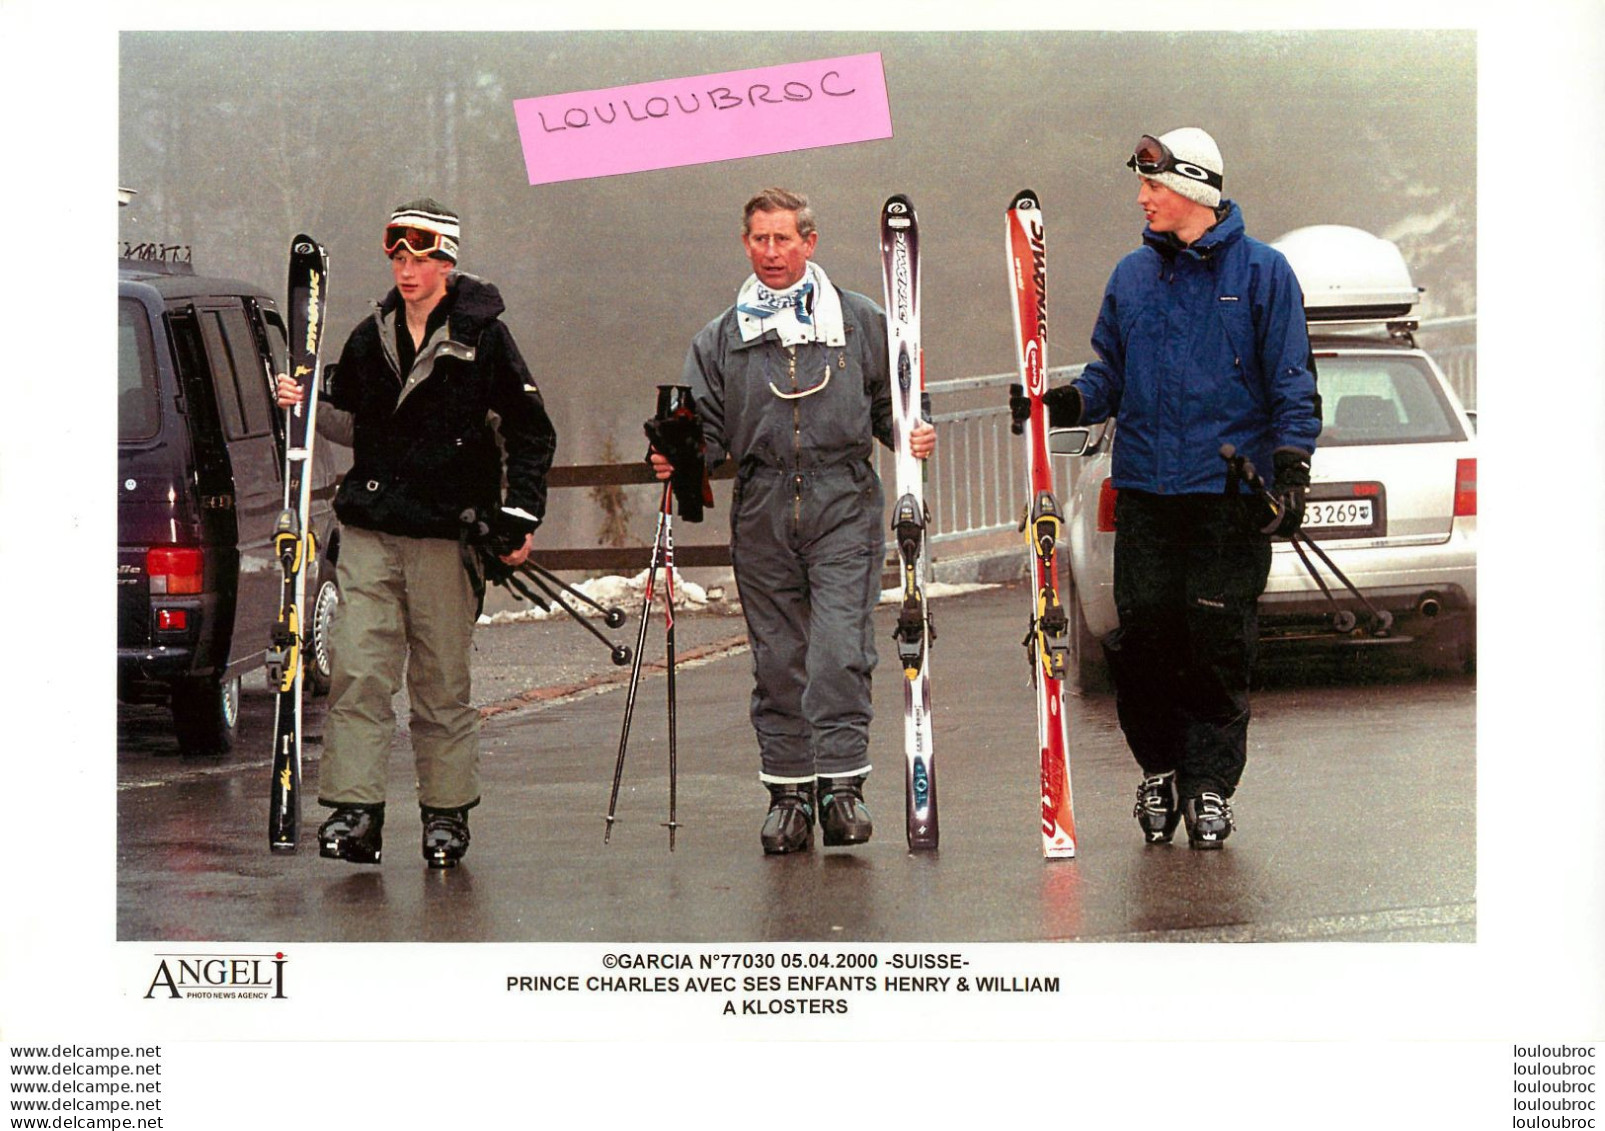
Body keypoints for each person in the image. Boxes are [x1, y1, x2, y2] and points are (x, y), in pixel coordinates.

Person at [1013, 129, 1320, 848]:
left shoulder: (1264, 272)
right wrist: (1059, 403)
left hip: (1225, 495)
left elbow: (1291, 380)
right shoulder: (1131, 277)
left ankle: (1209, 784)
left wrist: (1291, 467)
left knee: (1216, 643)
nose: (1142, 198)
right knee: (1143, 636)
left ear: (1192, 190)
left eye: (1153, 187)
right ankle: (1157, 768)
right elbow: (1106, 379)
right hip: (1147, 488)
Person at [650, 187, 935, 855]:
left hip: (842, 500)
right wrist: (677, 453)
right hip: (762, 505)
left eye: (784, 239)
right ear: (746, 244)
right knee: (779, 659)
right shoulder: (722, 335)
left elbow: (894, 402)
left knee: (837, 648)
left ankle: (841, 789)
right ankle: (788, 795)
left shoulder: (861, 320)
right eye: (759, 240)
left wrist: (911, 429)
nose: (771, 253)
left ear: (809, 242)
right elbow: (709, 433)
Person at [275, 198, 557, 868]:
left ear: (447, 261)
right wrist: (307, 402)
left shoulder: (484, 338)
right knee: (359, 672)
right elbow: (352, 421)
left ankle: (445, 815)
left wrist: (517, 516)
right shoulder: (370, 335)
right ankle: (355, 812)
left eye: (420, 257)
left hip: (447, 532)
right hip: (371, 526)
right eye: (399, 257)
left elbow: (530, 432)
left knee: (439, 682)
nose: (407, 270)